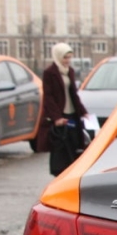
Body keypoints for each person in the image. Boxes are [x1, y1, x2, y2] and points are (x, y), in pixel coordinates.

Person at [35, 42, 88, 174]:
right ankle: (59, 173)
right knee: (60, 146)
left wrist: (83, 111)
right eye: (65, 57)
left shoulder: (70, 71)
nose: (67, 61)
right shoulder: (49, 73)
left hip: (72, 114)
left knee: (74, 144)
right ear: (58, 57)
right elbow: (49, 97)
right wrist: (57, 117)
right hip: (60, 115)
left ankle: (72, 172)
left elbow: (73, 94)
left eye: (69, 57)